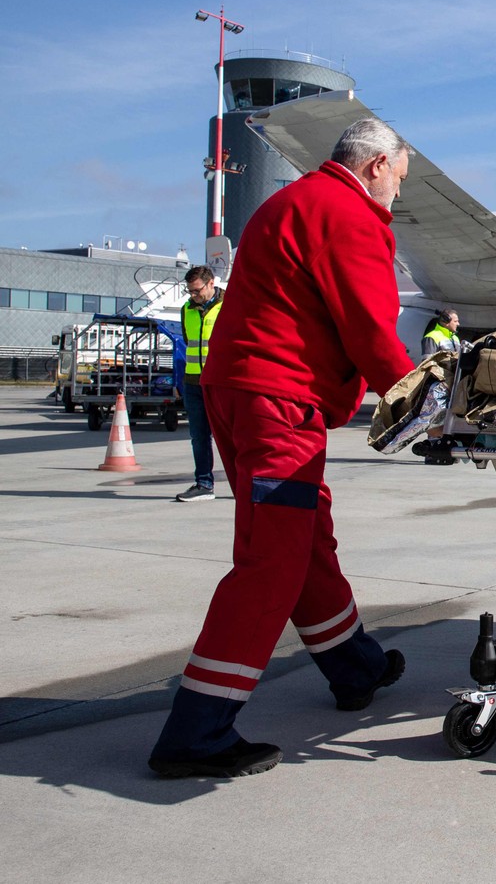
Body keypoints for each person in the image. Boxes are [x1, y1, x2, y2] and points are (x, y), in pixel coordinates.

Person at [148, 118, 419, 778]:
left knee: (304, 540)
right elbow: (369, 328)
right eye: (400, 181)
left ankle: (356, 667)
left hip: (239, 395)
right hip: (278, 401)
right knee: (272, 561)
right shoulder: (350, 216)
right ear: (379, 164)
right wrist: (419, 398)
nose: (397, 198)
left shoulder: (292, 202)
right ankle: (196, 730)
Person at [175, 265, 224, 502]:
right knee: (199, 436)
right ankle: (204, 484)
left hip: (222, 382)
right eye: (190, 292)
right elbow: (188, 342)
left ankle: (244, 483)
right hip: (194, 382)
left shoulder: (229, 306)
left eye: (197, 291)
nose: (194, 296)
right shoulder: (186, 310)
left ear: (211, 283)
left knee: (232, 436)